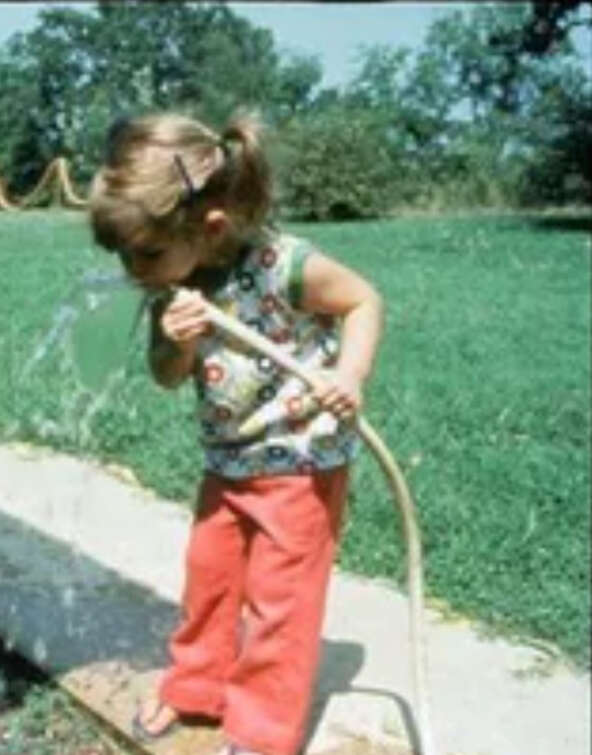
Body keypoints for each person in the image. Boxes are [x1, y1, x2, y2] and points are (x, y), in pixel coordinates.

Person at [87, 111, 384, 755]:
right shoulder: (174, 283)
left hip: (303, 460)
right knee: (210, 582)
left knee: (281, 602)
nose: (134, 269)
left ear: (212, 226)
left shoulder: (287, 265)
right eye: (123, 255)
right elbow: (167, 377)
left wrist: (350, 375)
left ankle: (262, 730)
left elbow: (363, 300)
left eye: (145, 252)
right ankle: (196, 687)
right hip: (227, 461)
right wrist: (174, 343)